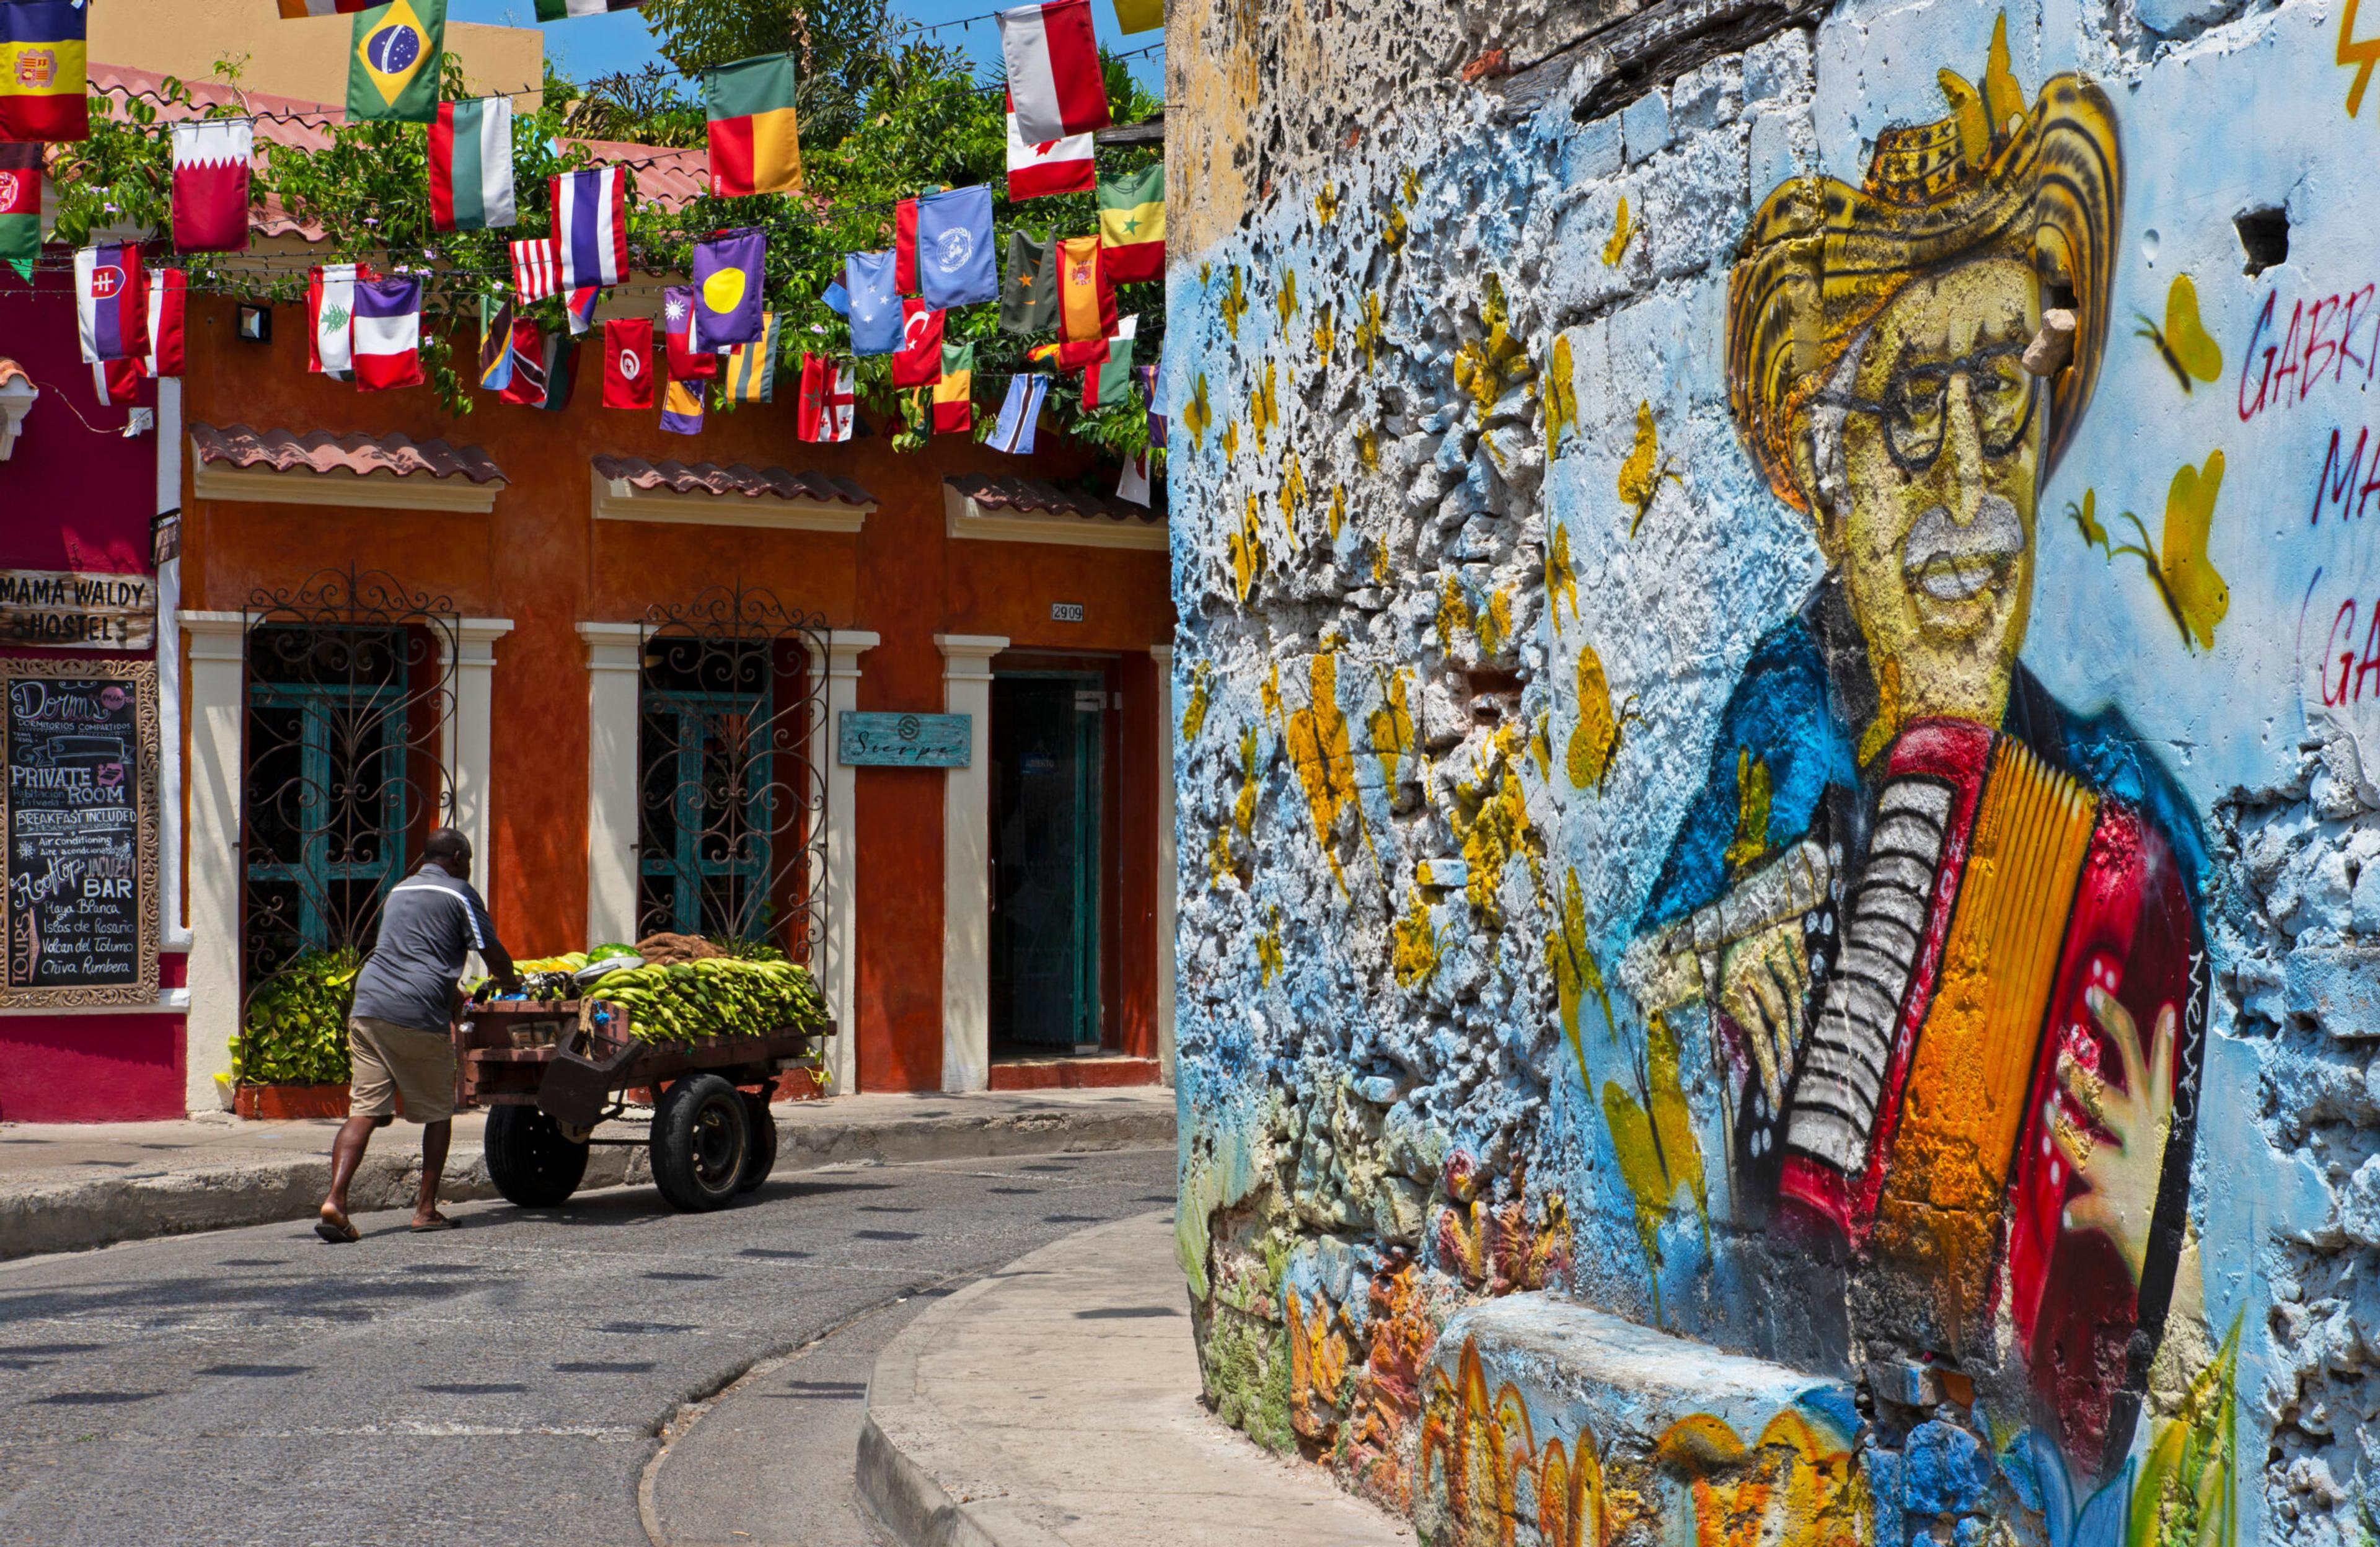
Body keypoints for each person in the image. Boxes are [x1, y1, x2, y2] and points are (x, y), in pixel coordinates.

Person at [1620, 24, 2206, 1482]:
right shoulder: (1781, 705)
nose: (1965, 477)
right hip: (1790, 1373)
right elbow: (1644, 960)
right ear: (1821, 481)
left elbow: (2143, 1389)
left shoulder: (2118, 823)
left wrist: (2137, 1227)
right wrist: (1744, 927)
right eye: (1904, 411)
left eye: (2001, 394)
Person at [316, 827, 517, 1242]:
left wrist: (450, 989)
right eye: (470, 860)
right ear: (458, 857)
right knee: (439, 1111)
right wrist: (512, 980)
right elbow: (490, 950)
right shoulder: (459, 892)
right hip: (415, 1014)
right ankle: (425, 1210)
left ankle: (335, 1199)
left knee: (364, 1111)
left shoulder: (399, 891)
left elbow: (412, 952)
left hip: (369, 1005)